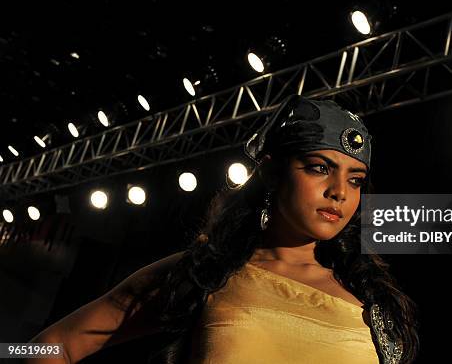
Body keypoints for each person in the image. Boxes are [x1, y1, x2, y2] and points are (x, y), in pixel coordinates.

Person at [26, 94, 419, 364]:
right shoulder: (205, 274)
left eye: (355, 179)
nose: (339, 192)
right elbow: (50, 346)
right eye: (319, 168)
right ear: (270, 170)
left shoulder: (372, 302)